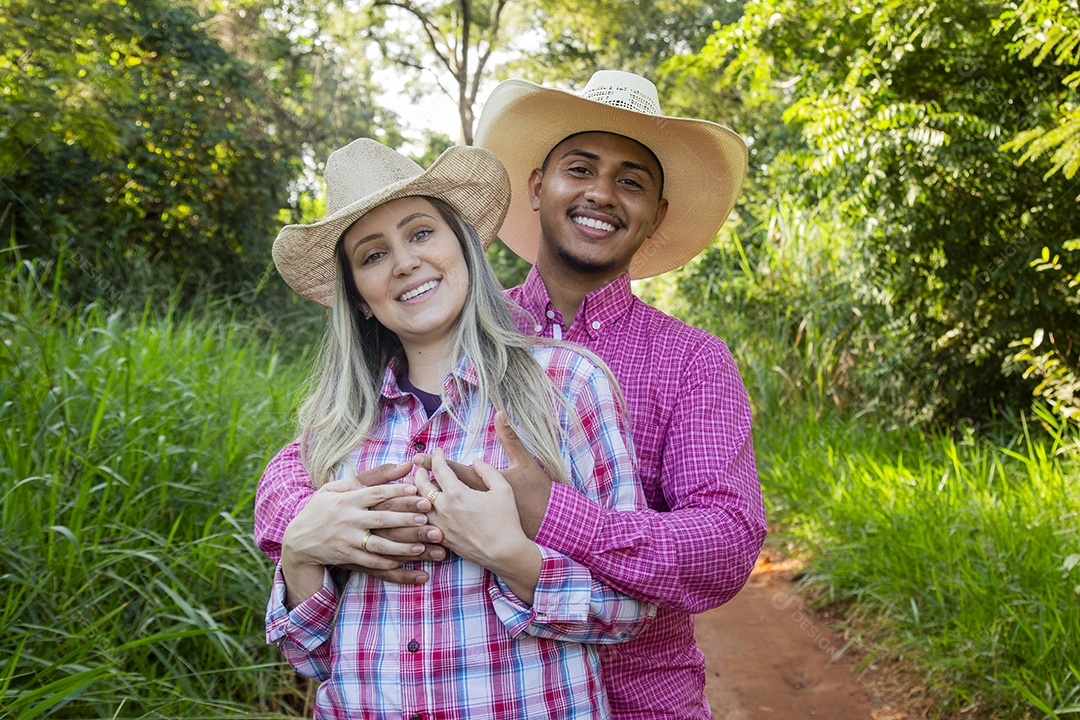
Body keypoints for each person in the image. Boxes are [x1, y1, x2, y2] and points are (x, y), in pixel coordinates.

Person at [256, 71, 767, 719]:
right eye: (579, 168)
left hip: (643, 697)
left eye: (632, 181)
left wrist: (547, 512)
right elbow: (314, 451)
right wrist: (305, 525)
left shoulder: (690, 360)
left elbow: (722, 544)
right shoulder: (451, 325)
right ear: (537, 186)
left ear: (655, 216)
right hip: (474, 691)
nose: (602, 193)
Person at [260, 137, 655, 720]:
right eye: (372, 255)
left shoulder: (569, 386)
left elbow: (629, 611)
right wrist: (300, 554)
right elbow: (311, 659)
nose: (404, 262)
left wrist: (510, 555)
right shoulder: (336, 432)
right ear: (361, 299)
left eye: (421, 233)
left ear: (464, 248)